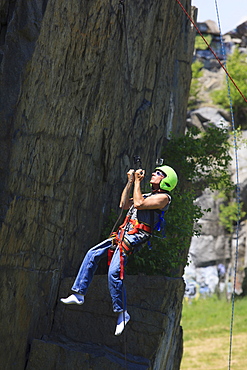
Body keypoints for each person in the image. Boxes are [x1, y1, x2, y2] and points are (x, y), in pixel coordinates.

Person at [60, 165, 178, 335]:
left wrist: (137, 181)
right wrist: (130, 182)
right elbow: (123, 204)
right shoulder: (146, 195)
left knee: (113, 273)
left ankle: (122, 313)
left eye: (159, 173)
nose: (154, 173)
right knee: (92, 253)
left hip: (134, 238)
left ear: (166, 181)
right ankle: (79, 293)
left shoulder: (164, 198)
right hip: (123, 234)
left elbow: (138, 203)